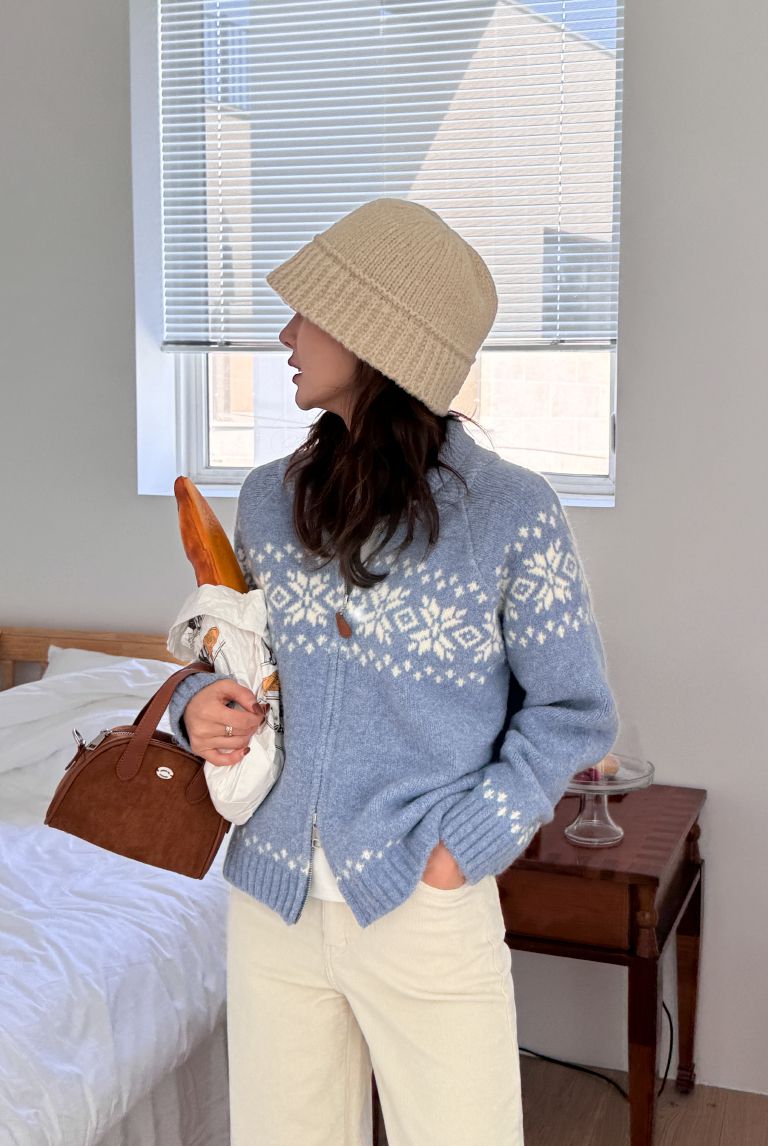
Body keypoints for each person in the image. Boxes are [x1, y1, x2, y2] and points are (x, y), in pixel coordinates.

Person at [165, 196, 620, 1146]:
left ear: (374, 332)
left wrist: (463, 846)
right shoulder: (268, 500)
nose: (285, 334)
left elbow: (572, 711)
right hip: (272, 903)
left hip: (422, 903)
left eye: (307, 312)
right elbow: (237, 656)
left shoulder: (510, 512)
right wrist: (196, 704)